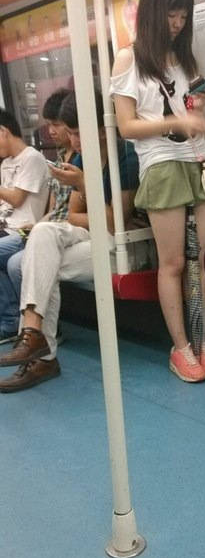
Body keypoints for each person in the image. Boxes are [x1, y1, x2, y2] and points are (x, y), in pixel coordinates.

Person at [110, 0, 205, 383]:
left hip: (199, 161)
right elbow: (127, 126)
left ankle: (202, 342)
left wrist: (198, 104)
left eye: (183, 17)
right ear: (152, 12)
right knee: (174, 262)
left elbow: (185, 109)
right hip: (161, 164)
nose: (177, 25)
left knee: (198, 260)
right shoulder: (128, 58)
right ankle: (181, 348)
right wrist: (176, 121)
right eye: (171, 16)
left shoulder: (182, 58)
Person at [0, 89, 139, 393]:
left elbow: (115, 223)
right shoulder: (81, 157)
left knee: (39, 262)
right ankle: (33, 333)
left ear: (101, 129)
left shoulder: (126, 156)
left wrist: (84, 184)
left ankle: (43, 358)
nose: (74, 141)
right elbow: (74, 215)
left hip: (123, 244)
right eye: (71, 133)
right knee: (43, 234)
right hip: (91, 235)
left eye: (78, 133)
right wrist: (89, 200)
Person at [0, 88, 81, 337]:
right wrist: (38, 226)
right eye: (49, 125)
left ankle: (28, 326)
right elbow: (55, 208)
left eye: (57, 125)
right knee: (15, 261)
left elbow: (70, 212)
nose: (51, 131)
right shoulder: (58, 158)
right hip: (47, 226)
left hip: (66, 228)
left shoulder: (72, 160)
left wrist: (39, 225)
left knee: (16, 263)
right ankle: (27, 327)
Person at [0, 108, 49, 339]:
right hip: (5, 227)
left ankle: (11, 320)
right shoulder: (5, 164)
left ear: (3, 131)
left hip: (24, 231)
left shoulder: (32, 158)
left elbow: (17, 198)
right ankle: (10, 317)